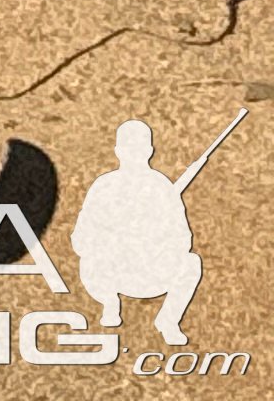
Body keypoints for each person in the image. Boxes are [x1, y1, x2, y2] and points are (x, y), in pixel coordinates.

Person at [73, 118, 210, 345]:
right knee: (89, 261)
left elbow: (183, 238)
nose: (133, 153)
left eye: (138, 147)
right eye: (128, 147)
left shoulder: (162, 187)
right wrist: (113, 242)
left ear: (149, 150)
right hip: (112, 273)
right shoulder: (103, 186)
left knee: (191, 263)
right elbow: (80, 238)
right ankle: (109, 303)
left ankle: (168, 320)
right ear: (118, 150)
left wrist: (153, 243)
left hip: (151, 272)